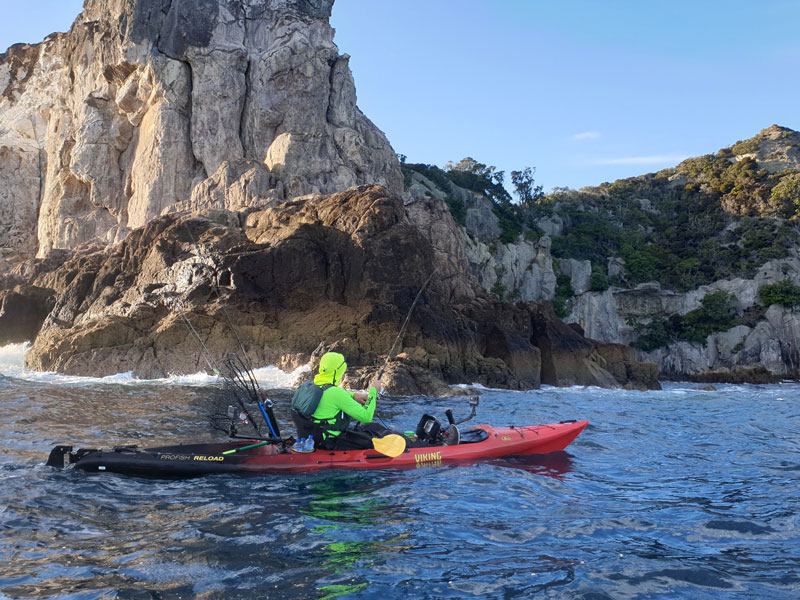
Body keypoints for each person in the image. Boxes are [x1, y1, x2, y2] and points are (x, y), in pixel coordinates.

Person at [291, 351, 390, 450]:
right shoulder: (337, 394)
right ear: (338, 371)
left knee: (373, 428)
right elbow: (366, 417)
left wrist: (353, 395)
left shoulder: (308, 385)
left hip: (313, 439)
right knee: (373, 438)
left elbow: (325, 393)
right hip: (330, 442)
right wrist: (373, 391)